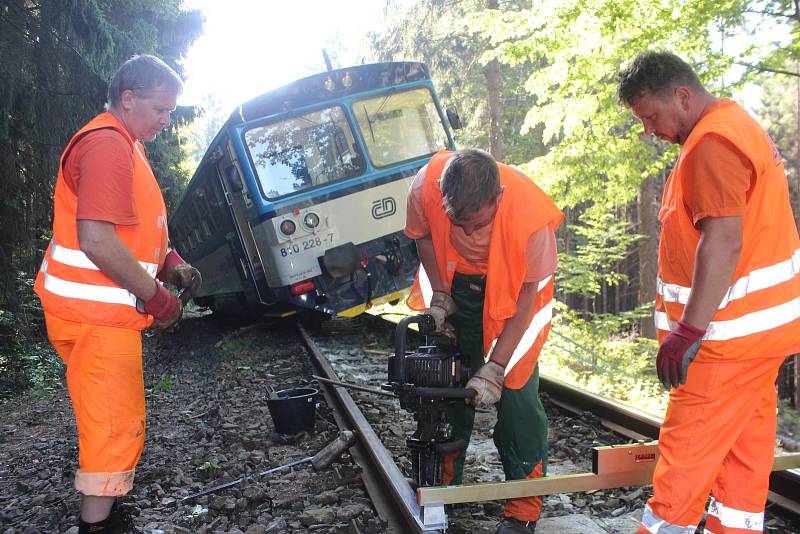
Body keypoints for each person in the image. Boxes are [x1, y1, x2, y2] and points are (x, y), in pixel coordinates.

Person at [617, 51, 800, 534]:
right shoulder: (732, 126)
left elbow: (723, 239)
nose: (649, 131)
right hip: (758, 339)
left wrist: (686, 331)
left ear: (681, 96)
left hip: (721, 346)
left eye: (650, 117)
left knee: (682, 469)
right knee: (742, 464)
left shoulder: (712, 144)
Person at [33, 54, 202, 534]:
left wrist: (172, 264)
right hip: (94, 316)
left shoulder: (126, 142)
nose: (167, 121)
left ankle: (106, 514)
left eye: (171, 112)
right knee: (112, 425)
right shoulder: (108, 145)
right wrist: (158, 297)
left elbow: (131, 233)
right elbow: (97, 239)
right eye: (160, 110)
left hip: (98, 313)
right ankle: (96, 525)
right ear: (128, 99)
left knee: (114, 420)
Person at [405, 148, 563, 534]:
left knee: (517, 396)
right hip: (458, 286)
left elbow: (528, 294)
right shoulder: (424, 186)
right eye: (460, 223)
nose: (470, 233)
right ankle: (442, 491)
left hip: (517, 296)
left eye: (478, 224)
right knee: (447, 386)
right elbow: (423, 237)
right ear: (443, 197)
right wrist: (441, 295)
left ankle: (523, 508)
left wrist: (495, 367)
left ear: (498, 198)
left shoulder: (531, 218)